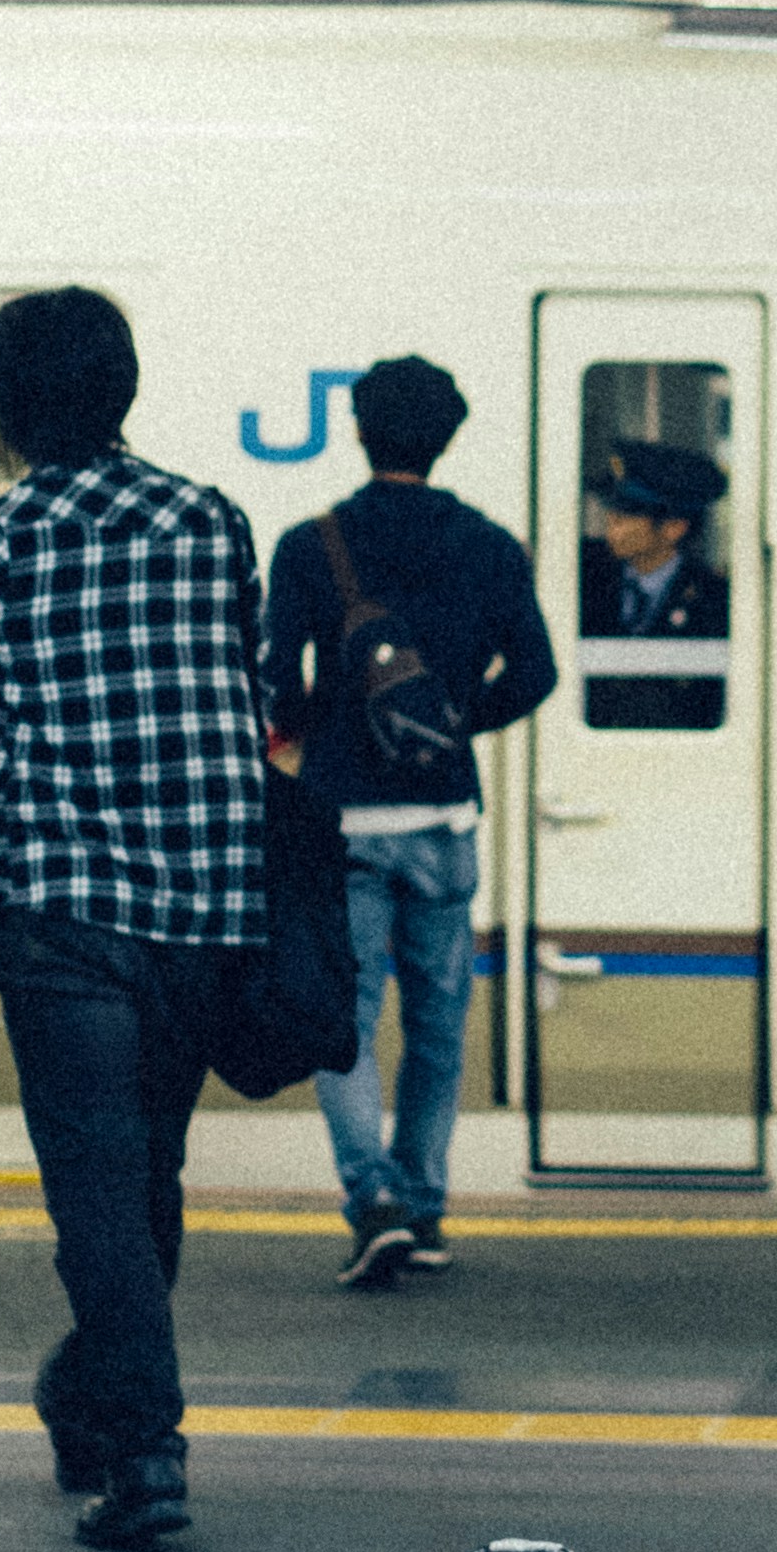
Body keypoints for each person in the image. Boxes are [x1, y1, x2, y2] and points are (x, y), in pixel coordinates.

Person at [0, 287, 273, 1552]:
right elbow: (247, 682)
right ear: (125, 390)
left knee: (97, 1191)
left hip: (58, 906)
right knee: (145, 1173)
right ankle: (92, 1395)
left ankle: (143, 1446)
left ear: (2, 407)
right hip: (207, 897)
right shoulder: (211, 521)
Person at [270, 353, 556, 1289]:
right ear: (448, 437)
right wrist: (451, 723)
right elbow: (536, 674)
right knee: (437, 1024)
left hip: (342, 819)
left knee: (344, 1022)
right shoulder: (489, 545)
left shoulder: (313, 546)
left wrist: (324, 727)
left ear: (358, 429)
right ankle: (424, 1211)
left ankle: (374, 1199)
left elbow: (277, 683)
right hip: (443, 817)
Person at [580, 441, 732, 640]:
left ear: (674, 528)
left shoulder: (713, 598)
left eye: (629, 512)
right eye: (612, 508)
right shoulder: (586, 574)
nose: (612, 519)